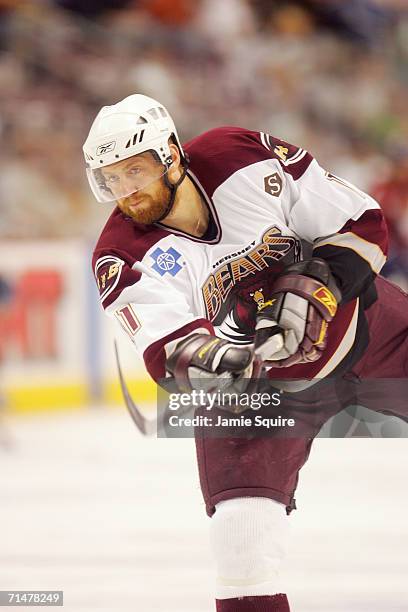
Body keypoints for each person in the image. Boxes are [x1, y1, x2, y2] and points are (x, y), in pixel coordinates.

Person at [83, 94, 408, 611]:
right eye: (111, 179)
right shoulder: (120, 255)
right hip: (257, 392)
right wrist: (230, 362)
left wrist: (315, 288)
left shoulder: (240, 156)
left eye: (135, 171)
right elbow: (168, 350)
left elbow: (360, 223)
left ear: (171, 154)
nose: (126, 191)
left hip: (363, 323)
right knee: (241, 549)